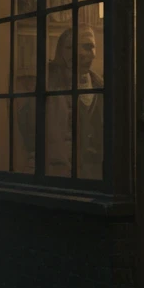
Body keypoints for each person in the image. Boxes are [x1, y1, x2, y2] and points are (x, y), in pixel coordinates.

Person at [43, 25, 104, 178]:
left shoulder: (100, 85)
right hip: (63, 175)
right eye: (86, 47)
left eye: (92, 47)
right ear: (65, 51)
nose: (91, 54)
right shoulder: (49, 86)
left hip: (97, 176)